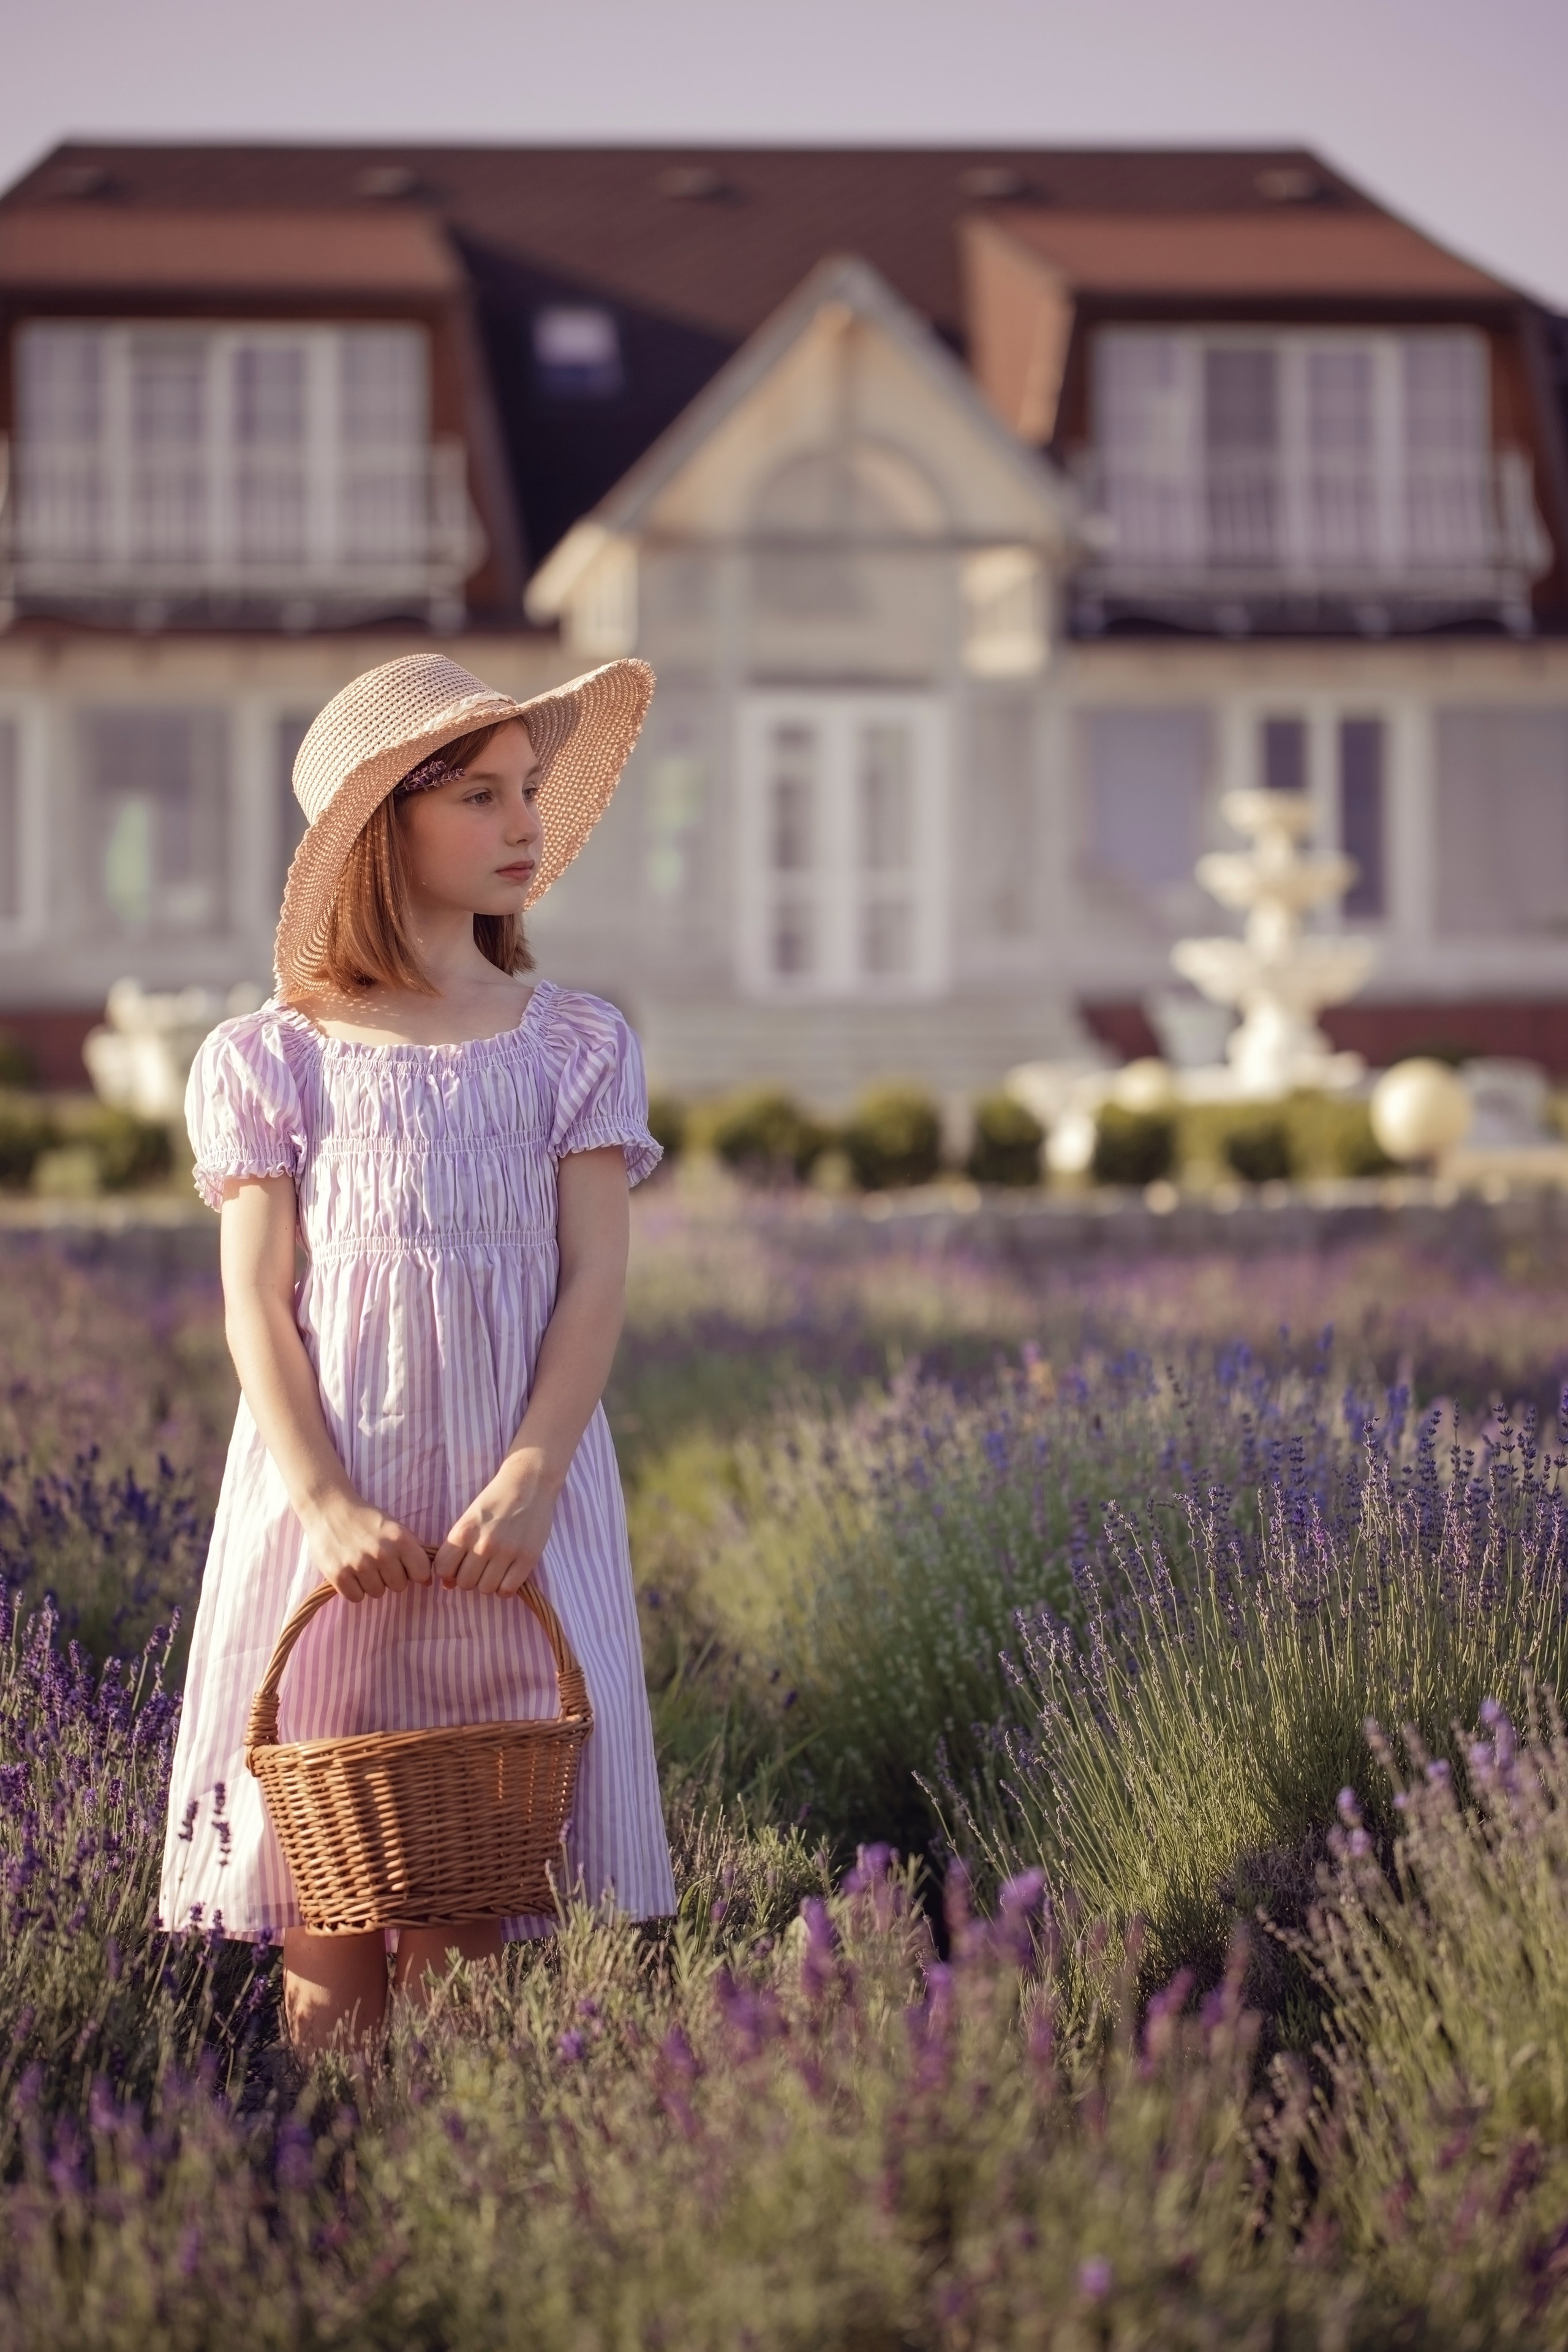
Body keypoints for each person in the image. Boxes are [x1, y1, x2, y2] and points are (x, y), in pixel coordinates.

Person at [159, 652, 675, 2058]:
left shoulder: (570, 1043)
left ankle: (451, 2214)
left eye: (530, 792)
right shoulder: (275, 1059)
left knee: (470, 1887)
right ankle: (337, 2225)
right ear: (386, 824)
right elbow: (257, 1305)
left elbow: (592, 1284)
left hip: (504, 1509)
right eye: (483, 795)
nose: (527, 825)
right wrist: (322, 1503)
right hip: (338, 1508)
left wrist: (532, 1477)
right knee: (329, 1892)